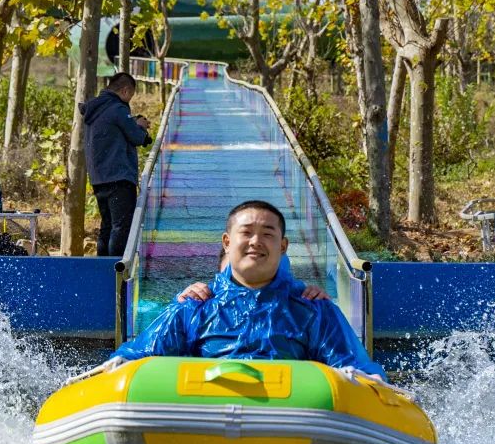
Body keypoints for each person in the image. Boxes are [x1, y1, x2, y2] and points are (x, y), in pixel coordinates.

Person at [106, 200, 386, 380]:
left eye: (267, 234)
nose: (256, 241)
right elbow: (140, 354)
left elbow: (355, 368)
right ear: (227, 242)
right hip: (204, 419)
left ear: (283, 246)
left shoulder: (313, 308)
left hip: (294, 427)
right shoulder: (195, 304)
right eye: (247, 232)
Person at [82, 72, 152, 256]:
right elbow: (137, 137)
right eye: (130, 96)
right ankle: (118, 276)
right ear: (125, 90)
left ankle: (103, 273)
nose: (129, 101)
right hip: (119, 177)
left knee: (106, 227)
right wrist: (141, 126)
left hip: (99, 178)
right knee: (121, 228)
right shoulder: (118, 108)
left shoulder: (94, 110)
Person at [176, 247, 330, 302]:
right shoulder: (198, 305)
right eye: (235, 271)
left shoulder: (308, 308)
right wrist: (179, 305)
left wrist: (324, 309)